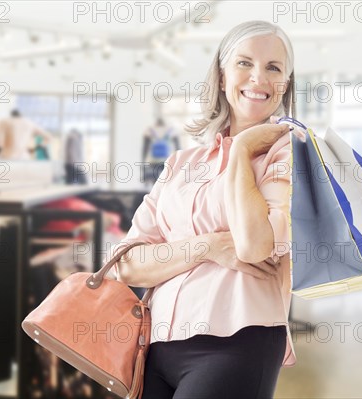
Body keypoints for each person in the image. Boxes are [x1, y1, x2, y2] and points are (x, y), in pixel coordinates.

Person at [111, 20, 306, 398]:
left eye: (274, 68)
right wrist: (210, 246)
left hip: (238, 342)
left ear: (285, 84)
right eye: (244, 63)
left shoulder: (290, 155)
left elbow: (253, 246)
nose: (258, 77)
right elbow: (127, 264)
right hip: (153, 344)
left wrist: (245, 150)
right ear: (221, 77)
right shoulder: (181, 163)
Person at [141, 117, 180, 186]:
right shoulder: (171, 130)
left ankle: (155, 195)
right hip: (168, 160)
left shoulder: (149, 130)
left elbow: (145, 148)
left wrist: (143, 161)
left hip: (153, 161)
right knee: (166, 181)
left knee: (155, 182)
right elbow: (178, 148)